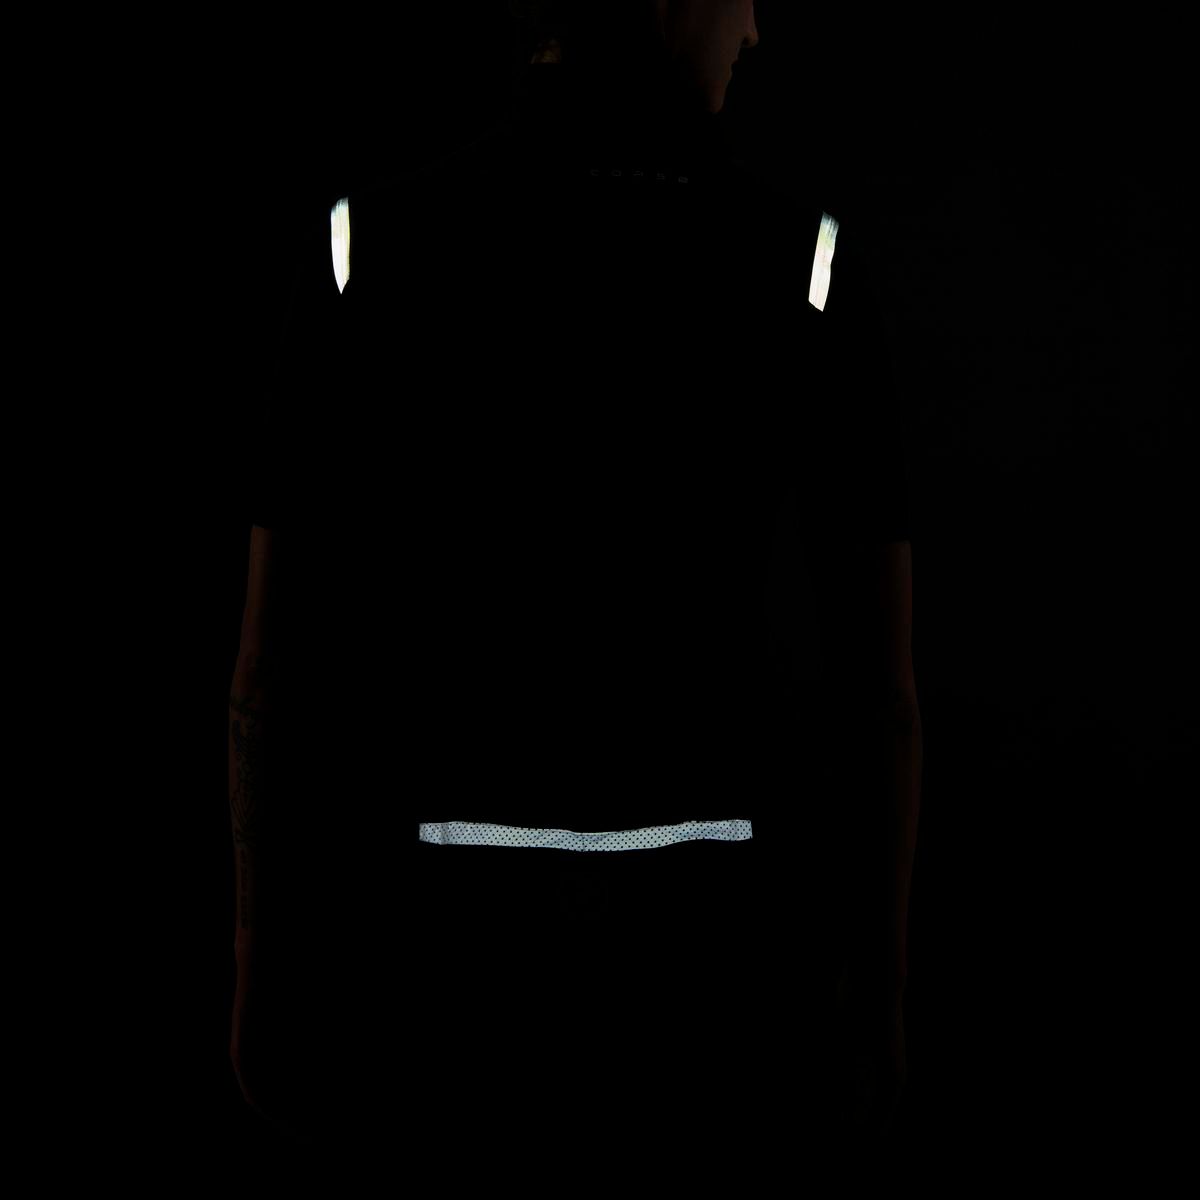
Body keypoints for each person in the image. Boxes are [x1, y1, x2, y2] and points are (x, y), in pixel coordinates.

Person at [229, 0, 922, 1163]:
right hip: (713, 979)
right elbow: (881, 701)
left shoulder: (363, 249)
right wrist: (883, 998)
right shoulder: (809, 265)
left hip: (431, 971)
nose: (755, 30)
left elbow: (269, 669)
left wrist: (257, 959)